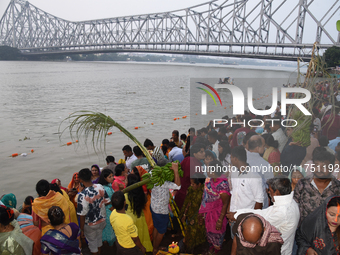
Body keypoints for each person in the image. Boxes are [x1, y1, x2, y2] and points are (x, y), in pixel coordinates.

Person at [227, 177, 299, 255]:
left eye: (270, 190)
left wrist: (237, 216)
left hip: (278, 251)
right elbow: (264, 213)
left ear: (277, 192)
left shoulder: (283, 212)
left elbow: (259, 220)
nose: (268, 192)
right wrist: (238, 213)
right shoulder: (290, 202)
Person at [294, 147, 340, 226]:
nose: (319, 169)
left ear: (332, 168)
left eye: (324, 166)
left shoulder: (337, 187)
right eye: (316, 165)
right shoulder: (302, 184)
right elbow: (295, 206)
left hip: (329, 233)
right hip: (304, 232)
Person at [229, 146, 265, 238]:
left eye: (231, 158)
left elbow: (259, 201)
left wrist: (253, 221)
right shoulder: (234, 172)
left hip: (246, 220)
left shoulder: (254, 176)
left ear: (235, 158)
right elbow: (233, 193)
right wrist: (230, 212)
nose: (230, 160)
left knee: (245, 247)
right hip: (233, 218)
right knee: (234, 242)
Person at [198, 160, 231, 254]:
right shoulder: (209, 180)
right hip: (208, 213)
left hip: (218, 214)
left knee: (217, 235)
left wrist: (220, 220)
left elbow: (225, 203)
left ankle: (216, 251)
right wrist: (201, 212)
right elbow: (204, 197)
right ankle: (211, 249)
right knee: (209, 234)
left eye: (208, 169)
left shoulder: (222, 184)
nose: (206, 171)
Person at [77, 168, 111, 255]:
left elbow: (82, 215)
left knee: (93, 244)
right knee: (99, 239)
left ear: (80, 180)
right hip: (102, 220)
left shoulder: (82, 195)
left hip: (90, 224)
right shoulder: (100, 187)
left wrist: (82, 230)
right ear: (91, 176)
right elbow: (107, 201)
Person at [151, 162, 181, 255]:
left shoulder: (151, 174)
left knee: (156, 227)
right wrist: (176, 170)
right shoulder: (163, 182)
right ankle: (155, 249)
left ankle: (155, 246)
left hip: (154, 207)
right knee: (161, 231)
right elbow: (178, 186)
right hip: (161, 211)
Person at [110, 191, 146, 255]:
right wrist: (142, 247)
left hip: (119, 243)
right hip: (129, 248)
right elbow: (134, 238)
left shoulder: (113, 213)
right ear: (124, 202)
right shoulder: (128, 220)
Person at [125, 174, 153, 253]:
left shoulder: (125, 195)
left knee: (133, 238)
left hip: (130, 219)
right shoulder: (142, 194)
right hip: (140, 217)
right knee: (142, 236)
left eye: (126, 180)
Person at [179, 173, 206, 252]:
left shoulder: (204, 193)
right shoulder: (190, 189)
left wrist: (199, 218)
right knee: (190, 233)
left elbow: (204, 208)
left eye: (193, 184)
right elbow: (187, 202)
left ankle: (197, 249)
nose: (191, 185)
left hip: (199, 218)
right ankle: (189, 249)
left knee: (198, 234)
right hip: (191, 215)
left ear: (199, 184)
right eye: (191, 183)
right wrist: (184, 214)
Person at [175, 143, 205, 210]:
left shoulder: (186, 159)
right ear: (194, 153)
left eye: (204, 151)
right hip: (188, 196)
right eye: (201, 152)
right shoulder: (198, 167)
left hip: (179, 192)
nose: (204, 153)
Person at [247, 135, 273, 208]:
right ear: (258, 148)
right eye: (263, 146)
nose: (264, 148)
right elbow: (269, 184)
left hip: (243, 201)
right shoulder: (264, 164)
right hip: (259, 203)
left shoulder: (241, 160)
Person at [97, 169, 116, 247]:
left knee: (106, 231)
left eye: (112, 176)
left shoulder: (105, 187)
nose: (112, 178)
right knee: (109, 231)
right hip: (109, 212)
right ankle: (110, 247)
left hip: (104, 212)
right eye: (109, 177)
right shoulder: (107, 189)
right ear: (105, 178)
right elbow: (107, 203)